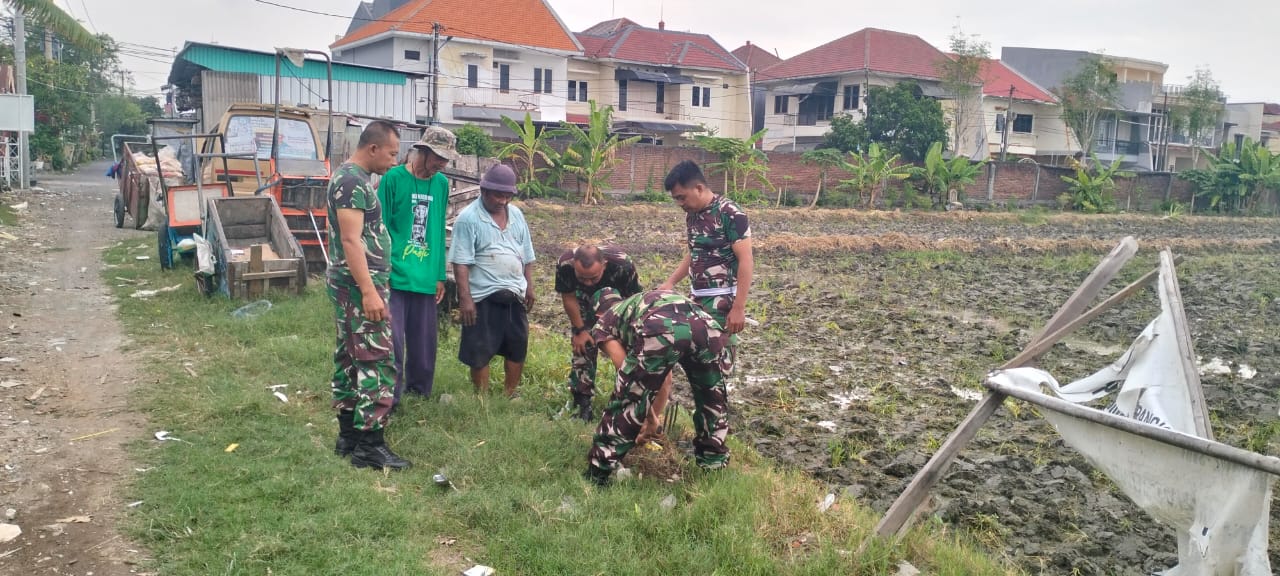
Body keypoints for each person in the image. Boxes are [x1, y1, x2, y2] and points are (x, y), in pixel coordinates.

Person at [583, 287, 733, 486]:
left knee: (626, 399)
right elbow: (664, 378)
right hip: (705, 324)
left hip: (662, 326)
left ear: (597, 313)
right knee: (712, 398)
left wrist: (651, 419)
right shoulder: (638, 303)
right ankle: (714, 465)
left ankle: (598, 471)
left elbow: (630, 380)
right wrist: (652, 418)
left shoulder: (604, 321)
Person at [327, 120, 411, 470]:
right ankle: (370, 446)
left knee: (350, 357)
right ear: (373, 148)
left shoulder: (352, 179)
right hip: (359, 286)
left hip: (353, 285)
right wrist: (369, 292)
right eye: (392, 153)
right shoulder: (351, 182)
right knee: (377, 361)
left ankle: (349, 436)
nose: (395, 160)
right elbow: (351, 240)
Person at [652, 160, 753, 434]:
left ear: (698, 187)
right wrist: (671, 282)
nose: (679, 204)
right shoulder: (693, 216)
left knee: (715, 372)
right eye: (676, 199)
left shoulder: (730, 213)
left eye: (681, 197)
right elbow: (694, 253)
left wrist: (739, 307)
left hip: (723, 303)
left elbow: (746, 260)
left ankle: (714, 440)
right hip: (698, 300)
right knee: (698, 365)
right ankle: (702, 431)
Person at [378, 127, 458, 407]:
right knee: (394, 342)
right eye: (438, 157)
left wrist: (439, 275)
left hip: (426, 276)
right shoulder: (392, 179)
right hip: (396, 274)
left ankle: (420, 392)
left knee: (424, 344)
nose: (441, 164)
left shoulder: (441, 185)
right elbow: (382, 227)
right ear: (423, 151)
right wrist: (382, 271)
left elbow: (436, 230)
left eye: (446, 160)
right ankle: (392, 397)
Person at [447, 164, 536, 397]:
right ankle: (482, 398)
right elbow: (461, 262)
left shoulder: (516, 215)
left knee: (517, 345)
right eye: (498, 195)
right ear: (484, 191)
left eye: (507, 196)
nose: (503, 201)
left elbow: (527, 253)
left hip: (515, 292)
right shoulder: (468, 219)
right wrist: (465, 299)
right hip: (483, 295)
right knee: (479, 348)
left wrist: (530, 286)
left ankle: (510, 393)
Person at [554, 244, 643, 421]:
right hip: (584, 303)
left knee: (628, 349)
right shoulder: (565, 265)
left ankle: (632, 397)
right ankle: (581, 403)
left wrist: (620, 331)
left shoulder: (623, 266)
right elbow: (569, 297)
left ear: (604, 264)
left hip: (618, 304)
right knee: (583, 346)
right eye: (582, 278)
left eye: (593, 278)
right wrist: (580, 330)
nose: (587, 282)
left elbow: (635, 300)